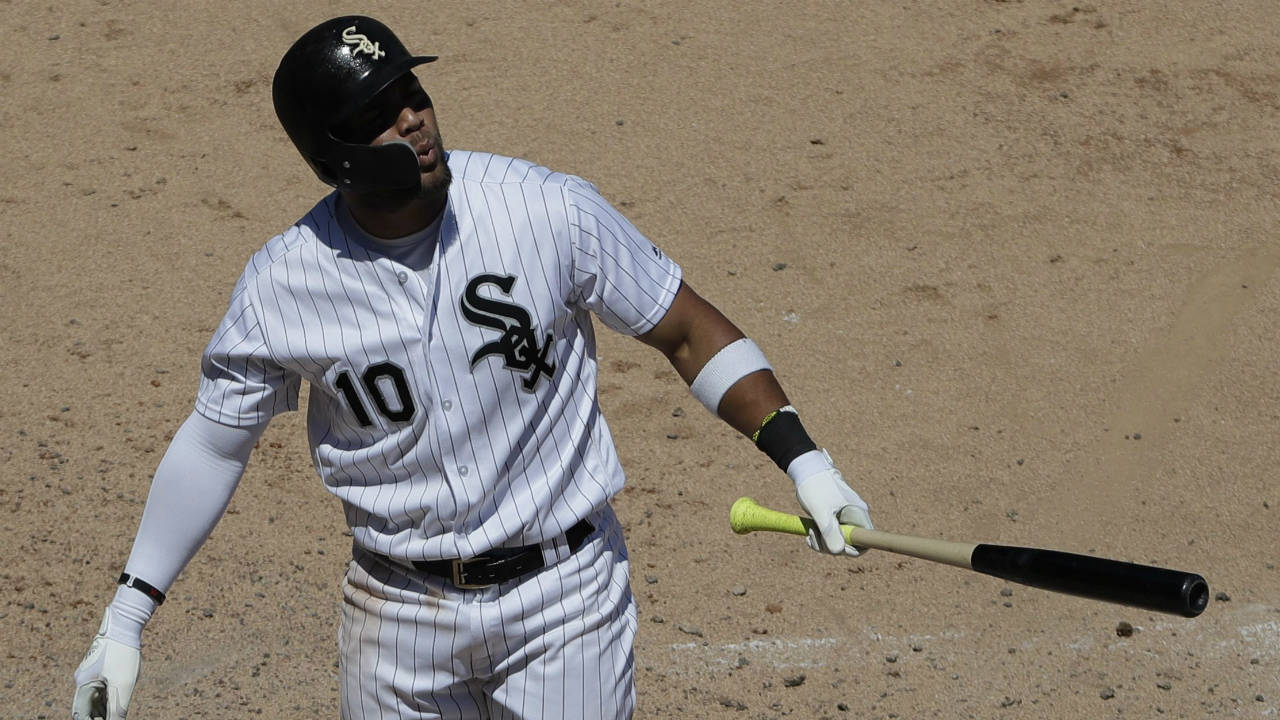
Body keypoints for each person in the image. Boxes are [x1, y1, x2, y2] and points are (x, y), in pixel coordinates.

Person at [71, 15, 874, 720]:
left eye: (411, 94)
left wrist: (805, 461)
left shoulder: (542, 208)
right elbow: (216, 444)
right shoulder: (284, 284)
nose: (414, 119)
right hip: (396, 614)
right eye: (379, 115)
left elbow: (689, 330)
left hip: (564, 602)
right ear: (334, 156)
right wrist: (125, 620)